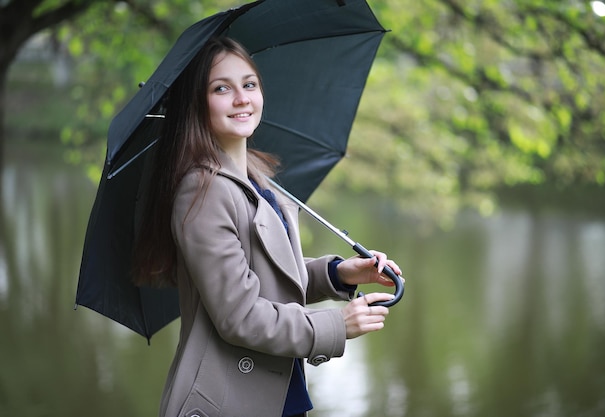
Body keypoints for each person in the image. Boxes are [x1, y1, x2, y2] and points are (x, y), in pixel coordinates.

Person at [133, 37, 403, 417]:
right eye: (221, 88)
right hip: (228, 401)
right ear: (197, 103)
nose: (242, 97)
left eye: (249, 84)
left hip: (279, 395)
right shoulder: (203, 190)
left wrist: (337, 273)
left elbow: (269, 279)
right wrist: (336, 325)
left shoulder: (259, 179)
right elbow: (240, 316)